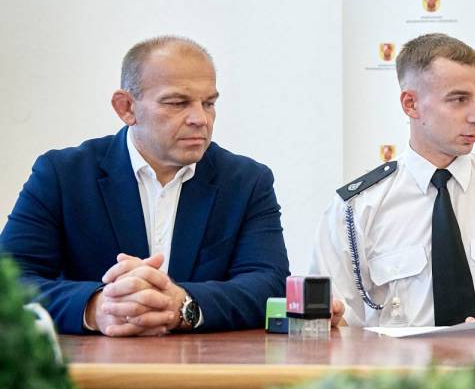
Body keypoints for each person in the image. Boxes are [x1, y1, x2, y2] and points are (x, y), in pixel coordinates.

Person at [0, 36, 289, 335]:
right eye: (177, 103)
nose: (200, 119)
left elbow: (270, 282)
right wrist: (97, 308)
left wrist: (184, 304)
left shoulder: (246, 181)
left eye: (209, 103)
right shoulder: (62, 175)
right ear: (126, 107)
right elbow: (9, 282)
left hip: (207, 362)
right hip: (91, 361)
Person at [312, 33, 475, 327]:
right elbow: (332, 325)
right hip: (397, 359)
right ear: (411, 104)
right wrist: (331, 321)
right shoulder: (355, 208)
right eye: (458, 100)